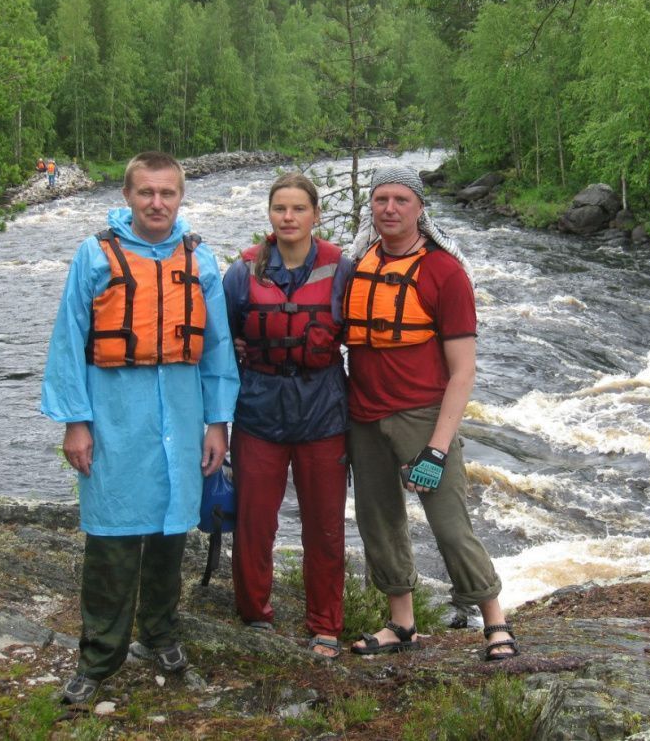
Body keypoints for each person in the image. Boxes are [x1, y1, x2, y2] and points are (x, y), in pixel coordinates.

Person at [41, 151, 239, 703]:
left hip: (180, 417)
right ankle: (99, 657)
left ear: (181, 197)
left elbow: (218, 349)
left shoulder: (200, 261)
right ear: (128, 196)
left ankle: (159, 632)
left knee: (171, 528)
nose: (157, 203)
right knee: (112, 535)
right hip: (114, 418)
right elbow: (67, 341)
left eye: (167, 193)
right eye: (146, 192)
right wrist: (75, 423)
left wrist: (217, 423)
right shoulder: (94, 254)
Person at [343, 164, 518, 661]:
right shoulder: (358, 265)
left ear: (421, 208)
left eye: (401, 200)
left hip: (423, 417)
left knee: (449, 524)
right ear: (371, 207)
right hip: (364, 418)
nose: (390, 209)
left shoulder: (445, 273)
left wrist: (438, 449)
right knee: (378, 522)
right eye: (381, 200)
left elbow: (462, 372)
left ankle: (495, 621)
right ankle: (402, 624)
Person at [222, 172, 352, 659]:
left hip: (323, 414)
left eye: (299, 209)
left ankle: (325, 624)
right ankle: (254, 615)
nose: (289, 218)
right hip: (259, 411)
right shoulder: (243, 272)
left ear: (316, 215)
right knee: (255, 522)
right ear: (269, 215)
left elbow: (360, 339)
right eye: (280, 209)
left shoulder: (343, 270)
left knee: (324, 525)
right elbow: (221, 341)